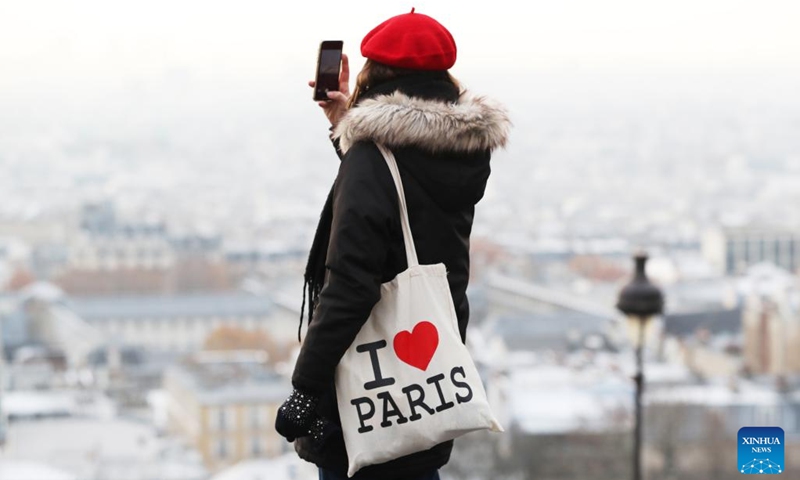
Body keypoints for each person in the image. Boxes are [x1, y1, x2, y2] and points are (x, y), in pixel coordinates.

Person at [275, 9, 510, 480]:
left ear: (374, 74)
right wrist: (346, 126)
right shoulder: (465, 150)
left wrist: (304, 388)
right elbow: (409, 201)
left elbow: (351, 285)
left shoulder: (372, 161)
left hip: (371, 388)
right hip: (426, 379)